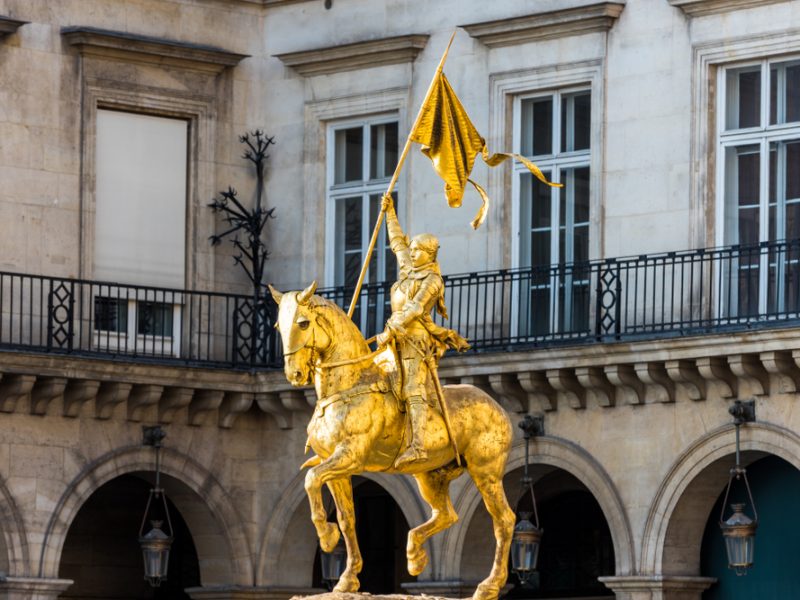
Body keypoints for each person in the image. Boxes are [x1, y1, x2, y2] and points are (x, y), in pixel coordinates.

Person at [376, 194, 469, 468]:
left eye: (417, 250)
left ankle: (418, 445)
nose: (411, 252)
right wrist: (390, 212)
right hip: (394, 339)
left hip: (415, 341)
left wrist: (392, 326)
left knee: (412, 389)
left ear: (429, 255)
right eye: (413, 249)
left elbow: (416, 308)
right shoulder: (408, 270)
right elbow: (396, 244)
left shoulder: (432, 280)